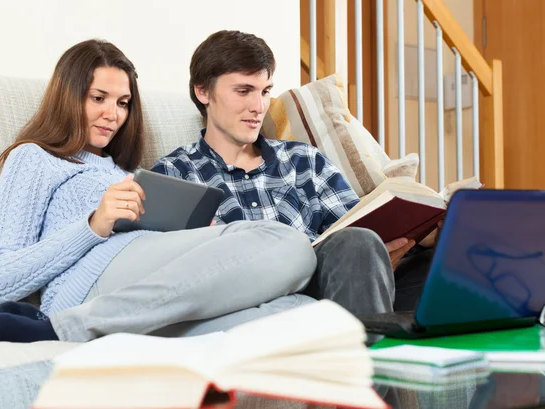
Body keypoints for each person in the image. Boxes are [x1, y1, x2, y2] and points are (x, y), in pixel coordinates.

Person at [0, 39, 318, 343]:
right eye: (98, 98)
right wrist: (94, 224)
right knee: (287, 243)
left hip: (146, 292)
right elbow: (1, 281)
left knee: (305, 311)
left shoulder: (125, 173)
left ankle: (113, 335)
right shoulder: (36, 157)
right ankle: (67, 329)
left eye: (122, 103)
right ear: (68, 96)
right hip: (88, 284)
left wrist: (197, 239)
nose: (112, 114)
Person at [151, 30, 435, 317]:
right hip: (258, 294)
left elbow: (356, 230)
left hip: (338, 280)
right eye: (243, 91)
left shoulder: (304, 160)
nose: (258, 107)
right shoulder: (174, 174)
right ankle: (371, 354)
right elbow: (172, 269)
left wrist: (415, 237)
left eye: (265, 91)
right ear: (203, 92)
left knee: (440, 260)